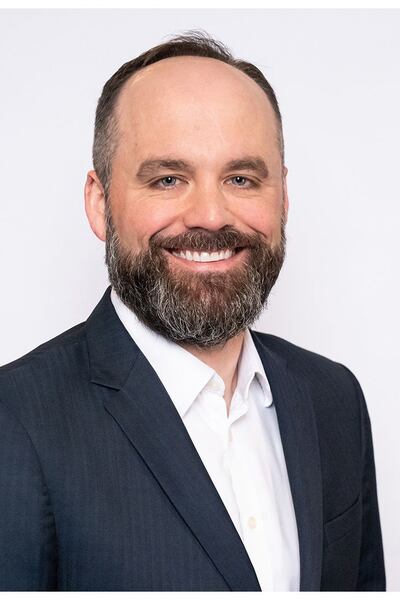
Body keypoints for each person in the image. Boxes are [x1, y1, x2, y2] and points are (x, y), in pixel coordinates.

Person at [0, 31, 385, 591]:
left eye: (240, 179)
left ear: (282, 198)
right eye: (168, 179)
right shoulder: (15, 420)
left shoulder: (334, 400)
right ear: (100, 203)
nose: (209, 214)